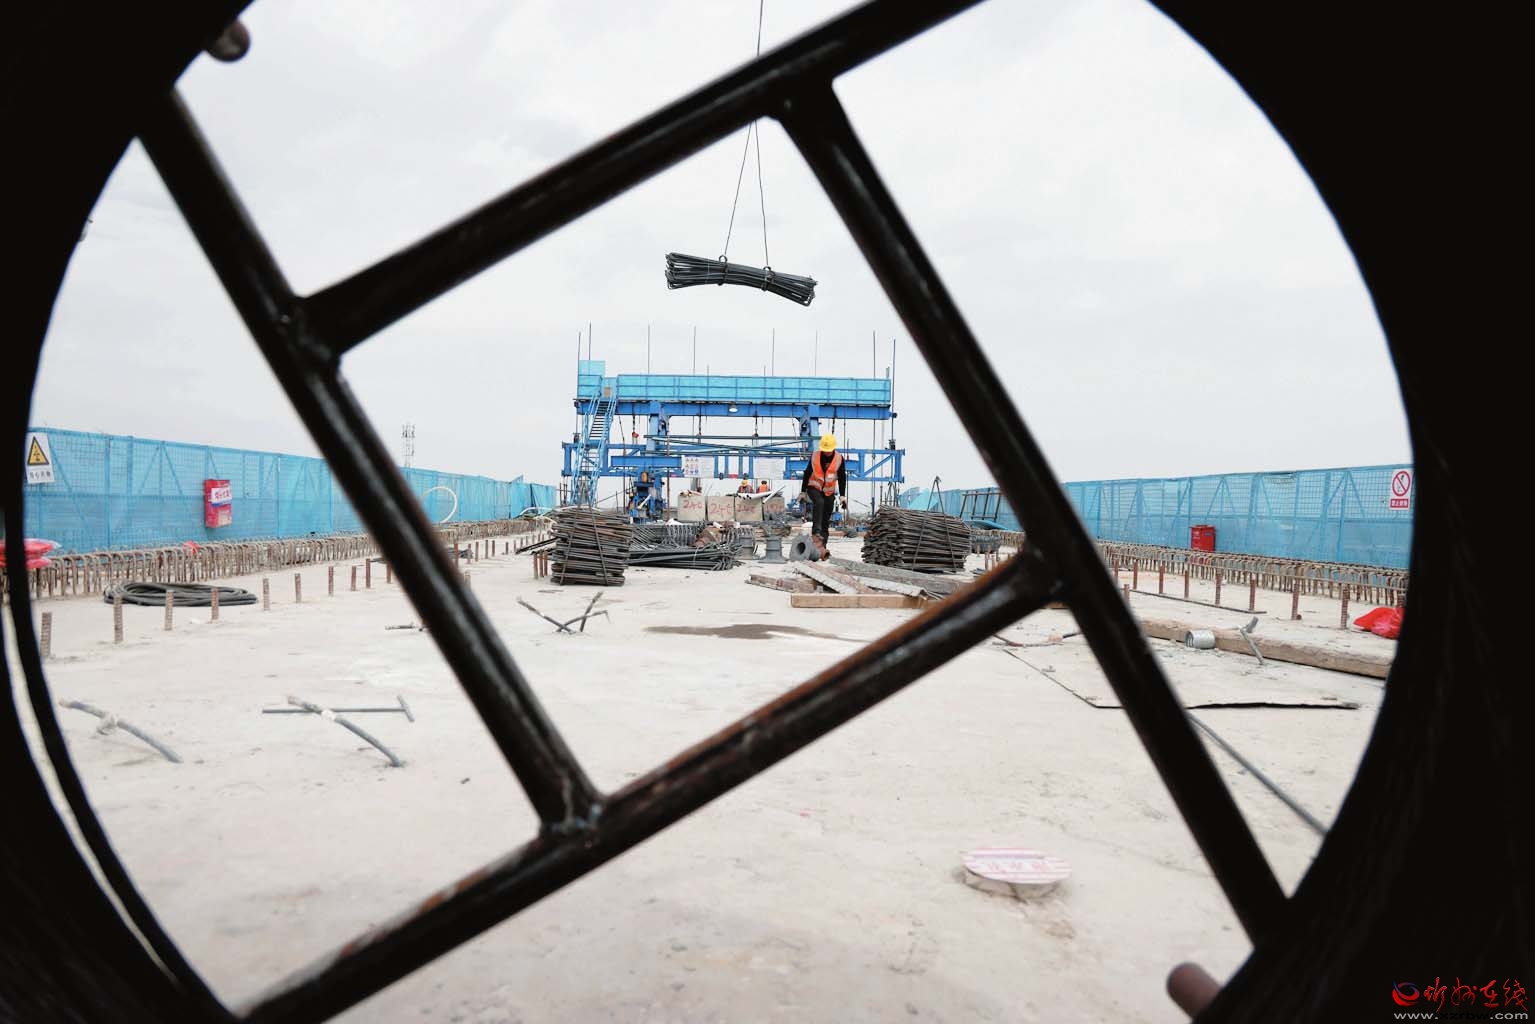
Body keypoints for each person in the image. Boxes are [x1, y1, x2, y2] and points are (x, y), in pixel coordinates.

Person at [800, 433, 847, 552]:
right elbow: (807, 473)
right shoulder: (815, 456)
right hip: (814, 487)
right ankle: (816, 533)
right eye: (825, 450)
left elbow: (842, 477)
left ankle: (822, 547)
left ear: (833, 448)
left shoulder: (839, 458)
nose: (826, 452)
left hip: (829, 492)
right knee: (819, 502)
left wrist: (842, 495)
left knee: (826, 518)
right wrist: (803, 491)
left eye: (828, 450)